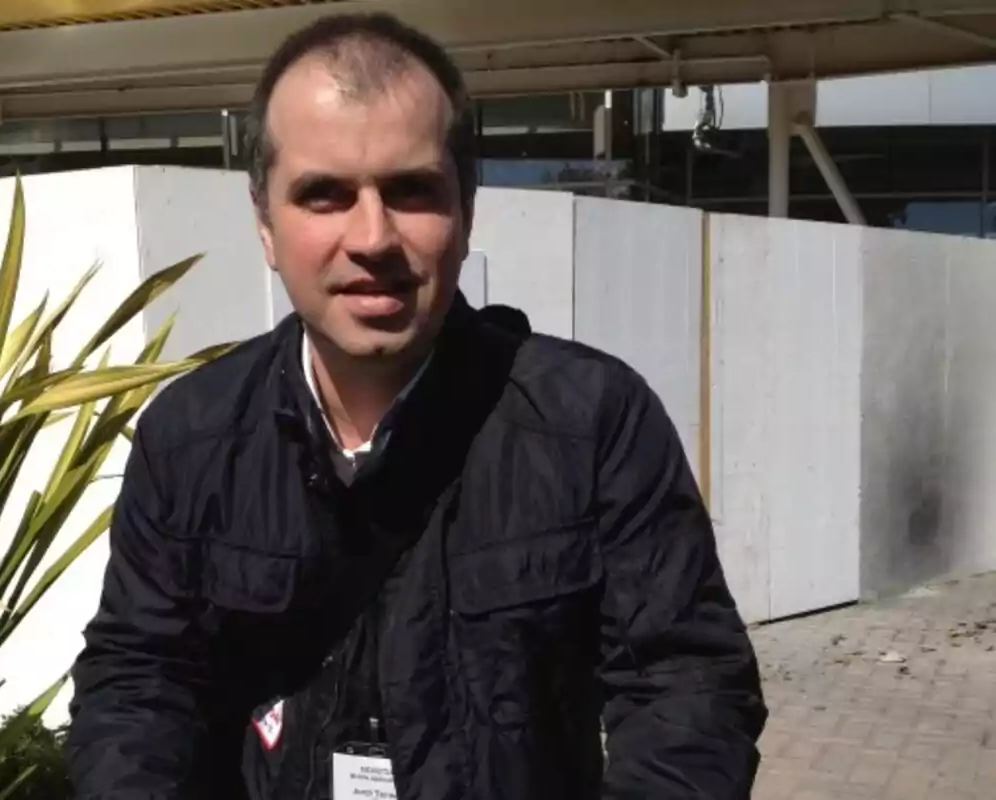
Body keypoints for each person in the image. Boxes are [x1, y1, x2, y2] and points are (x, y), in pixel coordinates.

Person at [66, 11, 767, 800]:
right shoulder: (190, 437)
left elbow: (687, 691)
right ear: (265, 223)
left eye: (410, 191)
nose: (373, 236)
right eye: (324, 195)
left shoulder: (593, 424)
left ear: (465, 209)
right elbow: (138, 684)